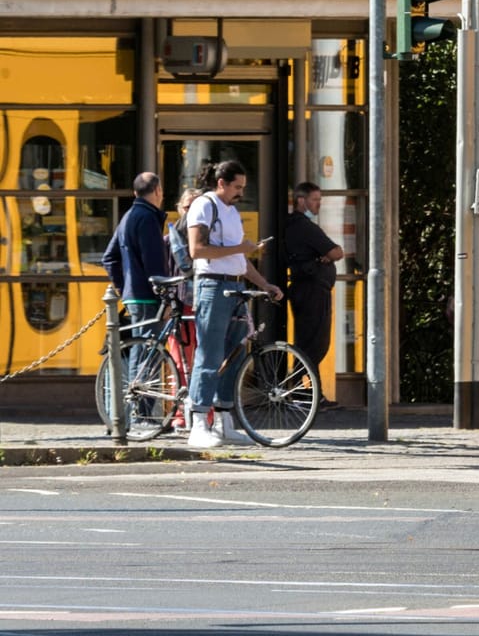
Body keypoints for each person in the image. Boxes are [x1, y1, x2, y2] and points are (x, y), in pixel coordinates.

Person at [185, 160, 281, 450]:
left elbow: (240, 262)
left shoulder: (231, 211)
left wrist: (265, 284)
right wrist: (242, 248)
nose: (240, 192)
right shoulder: (204, 205)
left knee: (236, 353)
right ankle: (198, 422)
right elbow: (197, 249)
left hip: (235, 284)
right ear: (221, 183)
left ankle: (224, 421)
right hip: (212, 284)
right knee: (210, 353)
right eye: (237, 186)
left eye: (243, 187)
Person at [283, 182, 344, 404]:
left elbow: (333, 252)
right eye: (315, 200)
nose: (318, 204)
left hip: (308, 288)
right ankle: (296, 388)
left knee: (310, 341)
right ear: (301, 200)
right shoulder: (304, 226)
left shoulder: (299, 226)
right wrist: (325, 256)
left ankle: (306, 391)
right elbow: (336, 251)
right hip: (311, 290)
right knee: (314, 342)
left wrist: (326, 256)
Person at [102, 171, 169, 336]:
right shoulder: (148, 218)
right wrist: (165, 299)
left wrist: (125, 288)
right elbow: (153, 262)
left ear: (135, 193)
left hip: (133, 295)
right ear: (157, 190)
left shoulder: (127, 217)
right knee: (146, 353)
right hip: (148, 297)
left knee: (141, 349)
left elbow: (109, 258)